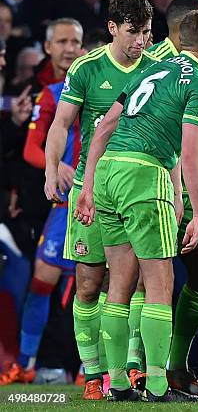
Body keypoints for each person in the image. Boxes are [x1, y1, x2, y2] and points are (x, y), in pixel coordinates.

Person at [74, 7, 198, 402]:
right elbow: (192, 153)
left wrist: (87, 186)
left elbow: (104, 125)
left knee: (119, 286)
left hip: (107, 173)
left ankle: (118, 384)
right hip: (144, 175)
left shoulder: (147, 69)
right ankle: (158, 386)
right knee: (160, 285)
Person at [44, 0, 157, 400]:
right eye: (133, 32)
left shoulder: (157, 70)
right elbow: (61, 124)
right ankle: (93, 375)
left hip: (141, 192)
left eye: (146, 32)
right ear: (112, 28)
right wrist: (51, 165)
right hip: (90, 191)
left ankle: (129, 370)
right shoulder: (87, 68)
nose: (141, 41)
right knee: (90, 285)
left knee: (141, 283)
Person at [0, 19, 83, 386]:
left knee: (96, 287)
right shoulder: (47, 92)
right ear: (48, 47)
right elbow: (30, 148)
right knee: (42, 283)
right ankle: (27, 363)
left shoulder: (103, 87)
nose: (69, 47)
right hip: (57, 204)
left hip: (104, 203)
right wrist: (57, 165)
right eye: (62, 41)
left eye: (75, 42)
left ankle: (91, 371)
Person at [145, 0, 198, 399]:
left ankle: (176, 367)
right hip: (152, 177)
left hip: (186, 181)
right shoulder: (153, 62)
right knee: (147, 278)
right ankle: (138, 371)